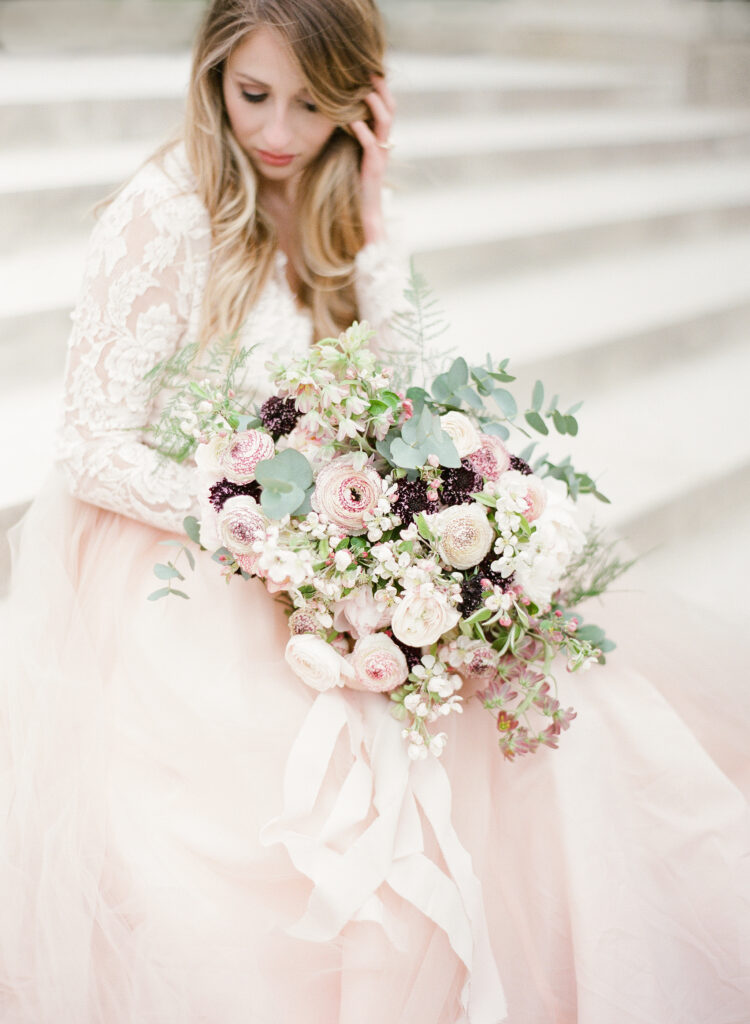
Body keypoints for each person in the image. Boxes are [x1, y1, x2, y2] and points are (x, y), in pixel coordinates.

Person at [1, 1, 749, 1022]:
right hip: (193, 560)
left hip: (322, 542)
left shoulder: (321, 188)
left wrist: (372, 214)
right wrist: (264, 524)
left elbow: (400, 388)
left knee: (548, 686)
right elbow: (88, 447)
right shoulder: (167, 207)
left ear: (359, 103)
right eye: (251, 94)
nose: (274, 133)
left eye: (313, 105)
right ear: (211, 74)